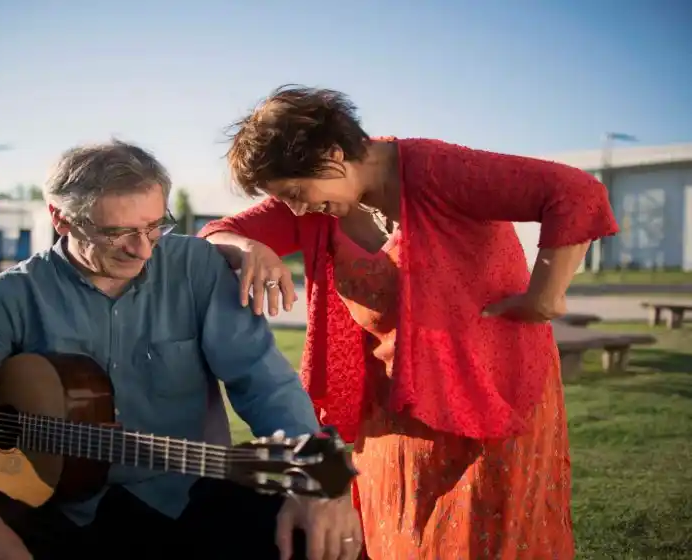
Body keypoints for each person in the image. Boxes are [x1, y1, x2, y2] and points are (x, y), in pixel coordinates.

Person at [0, 140, 363, 560]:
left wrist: (313, 478)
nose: (143, 250)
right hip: (48, 510)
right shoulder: (3, 300)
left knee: (304, 533)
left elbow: (263, 380)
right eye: (117, 232)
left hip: (178, 495)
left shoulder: (196, 269)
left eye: (153, 226)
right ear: (61, 218)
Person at [198, 86, 620, 559]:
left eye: (296, 194)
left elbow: (577, 193)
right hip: (393, 410)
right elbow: (214, 233)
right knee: (396, 538)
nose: (293, 210)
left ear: (333, 156)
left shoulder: (439, 171)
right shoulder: (318, 202)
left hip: (491, 396)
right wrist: (250, 247)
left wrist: (545, 296)